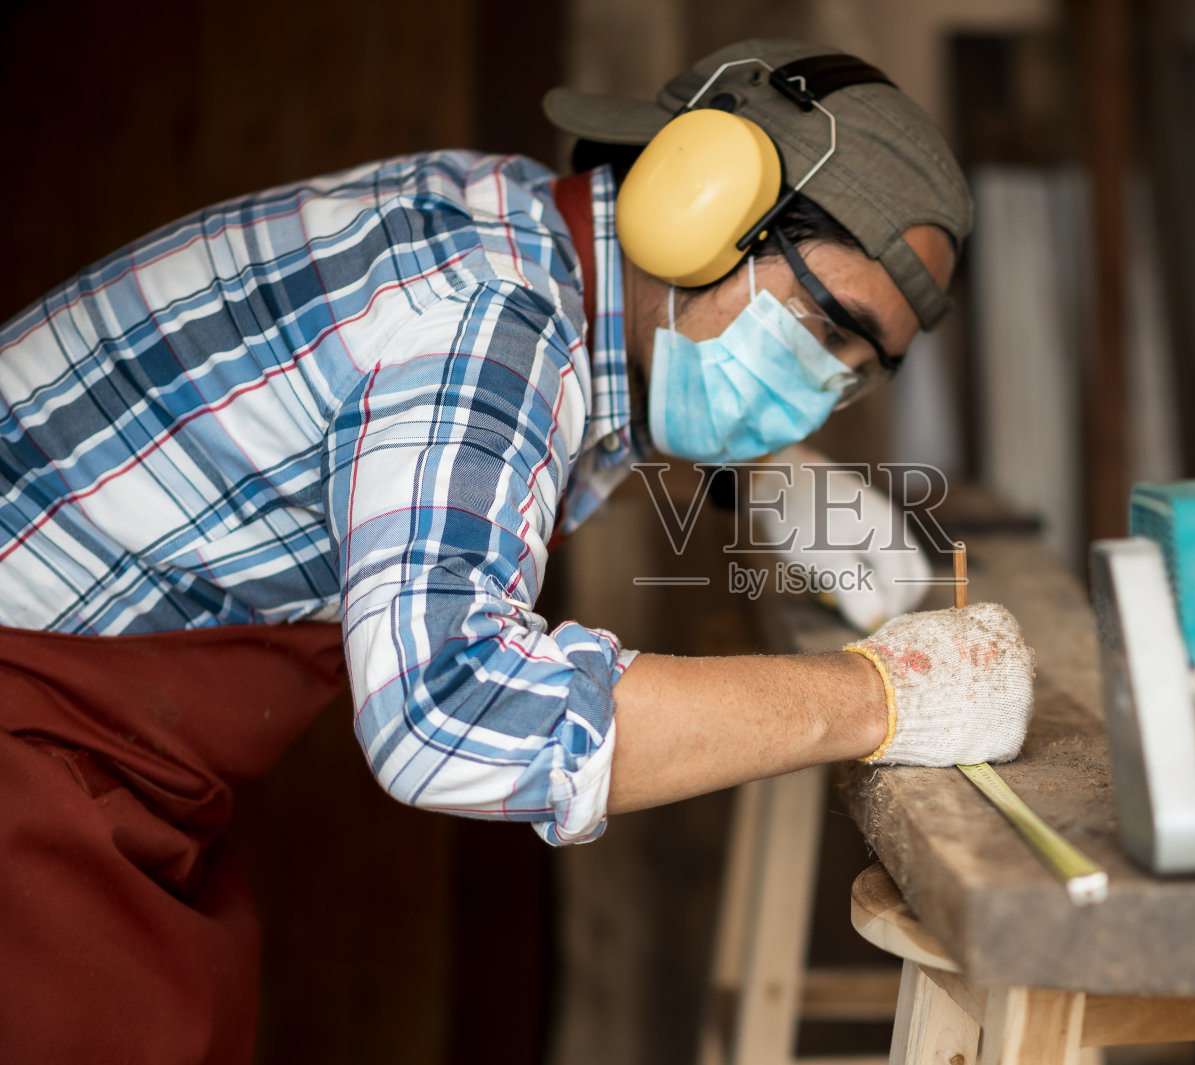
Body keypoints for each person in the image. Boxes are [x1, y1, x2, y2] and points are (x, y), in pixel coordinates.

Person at [0, 38, 1034, 1063]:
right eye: (825, 327)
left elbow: (510, 428)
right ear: (696, 210)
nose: (821, 383)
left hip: (82, 738)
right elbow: (447, 712)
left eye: (858, 369)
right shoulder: (487, 312)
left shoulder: (507, 232)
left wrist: (754, 475)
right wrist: (881, 697)